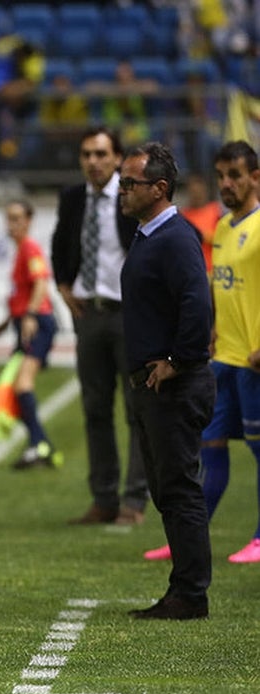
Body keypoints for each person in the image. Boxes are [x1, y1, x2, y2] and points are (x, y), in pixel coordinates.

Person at [143, 140, 260, 564]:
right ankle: (188, 538)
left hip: (254, 362)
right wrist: (210, 329)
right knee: (209, 447)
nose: (226, 184)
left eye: (235, 176)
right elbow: (220, 287)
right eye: (221, 176)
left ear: (255, 178)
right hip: (224, 358)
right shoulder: (223, 227)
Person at [118, 141, 215, 620]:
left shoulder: (176, 237)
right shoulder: (148, 235)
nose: (122, 189)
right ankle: (184, 587)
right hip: (152, 385)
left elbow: (198, 302)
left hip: (174, 386)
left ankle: (191, 594)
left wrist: (177, 360)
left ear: (159, 188)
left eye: (130, 182)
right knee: (167, 489)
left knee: (179, 489)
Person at [51, 126, 149, 526]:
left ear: (118, 158)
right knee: (95, 410)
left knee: (137, 411)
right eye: (87, 154)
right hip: (88, 315)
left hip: (129, 315)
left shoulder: (133, 197)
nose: (93, 161)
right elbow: (60, 244)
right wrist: (63, 284)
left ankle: (134, 501)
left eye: (101, 154)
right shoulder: (73, 198)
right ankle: (104, 500)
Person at [0, 200, 62, 470]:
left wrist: (30, 315)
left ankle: (40, 445)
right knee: (16, 389)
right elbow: (22, 292)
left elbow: (41, 282)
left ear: (29, 221)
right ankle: (39, 445)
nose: (12, 224)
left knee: (21, 385)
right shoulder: (21, 250)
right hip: (27, 322)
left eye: (17, 218)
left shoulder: (30, 248)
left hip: (37, 323)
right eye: (9, 218)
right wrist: (6, 323)